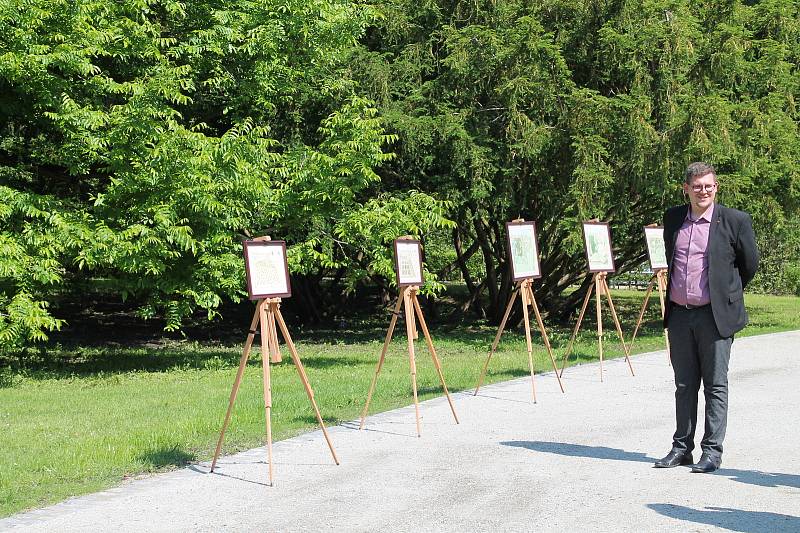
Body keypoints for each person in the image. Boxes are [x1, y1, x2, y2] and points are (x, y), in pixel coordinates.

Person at [654, 162, 759, 473]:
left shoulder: (735, 221)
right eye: (697, 186)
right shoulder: (673, 218)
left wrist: (724, 293)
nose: (703, 191)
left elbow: (748, 265)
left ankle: (711, 452)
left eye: (708, 186)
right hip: (679, 317)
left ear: (716, 187)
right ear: (686, 188)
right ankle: (681, 448)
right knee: (684, 385)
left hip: (715, 317)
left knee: (715, 385)